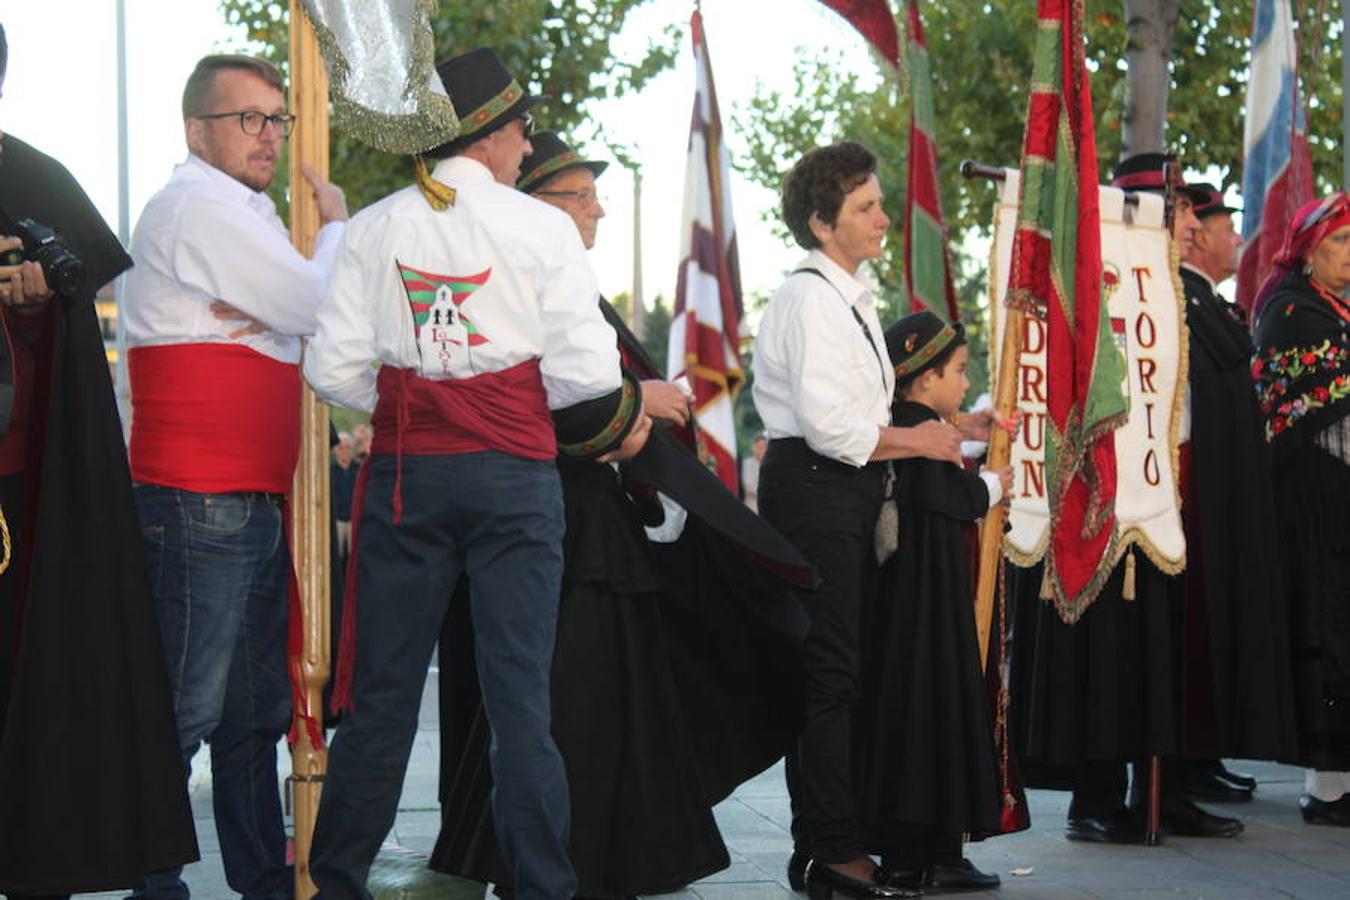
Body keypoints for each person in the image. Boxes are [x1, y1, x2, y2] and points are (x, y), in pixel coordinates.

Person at [303, 50, 652, 900]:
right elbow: (588, 380)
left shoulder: (376, 226)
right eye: (524, 131)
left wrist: (418, 396)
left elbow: (333, 370)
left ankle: (335, 884)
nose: (530, 149)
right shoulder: (541, 229)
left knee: (383, 700)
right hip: (513, 479)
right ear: (492, 134)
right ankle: (540, 888)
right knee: (520, 703)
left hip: (405, 478)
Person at [431, 129, 816, 898]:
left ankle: (591, 856)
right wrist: (644, 403)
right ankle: (568, 861)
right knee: (572, 713)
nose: (596, 210)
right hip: (564, 530)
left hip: (588, 524)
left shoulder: (556, 283)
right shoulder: (526, 281)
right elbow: (555, 407)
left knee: (588, 711)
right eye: (579, 196)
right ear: (533, 206)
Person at [122, 53, 348, 899]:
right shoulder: (197, 208)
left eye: (277, 119)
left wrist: (274, 318)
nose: (269, 136)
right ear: (197, 131)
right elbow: (314, 309)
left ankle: (260, 876)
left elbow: (294, 322)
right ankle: (154, 882)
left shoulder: (239, 215)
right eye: (247, 119)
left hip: (244, 496)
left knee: (253, 713)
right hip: (197, 496)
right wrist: (333, 233)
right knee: (183, 711)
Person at [1009, 153, 1276, 845]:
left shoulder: (1177, 294)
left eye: (1190, 211)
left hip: (1170, 497)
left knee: (1167, 653)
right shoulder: (1110, 287)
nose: (1189, 223)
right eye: (1180, 209)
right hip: (1110, 497)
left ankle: (1172, 787)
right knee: (1109, 656)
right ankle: (1096, 798)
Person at [752, 140, 996, 898]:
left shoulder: (847, 298)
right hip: (818, 488)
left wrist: (957, 426)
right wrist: (923, 437)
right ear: (823, 224)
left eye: (880, 203)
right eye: (865, 207)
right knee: (831, 674)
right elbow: (833, 427)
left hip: (843, 488)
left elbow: (865, 414)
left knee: (844, 672)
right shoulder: (808, 298)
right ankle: (833, 852)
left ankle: (834, 838)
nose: (884, 218)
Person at [0, 22, 199, 900]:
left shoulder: (29, 179)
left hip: (16, 493)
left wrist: (40, 295)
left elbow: (62, 328)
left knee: (28, 682)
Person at [853, 311, 1011, 893]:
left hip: (920, 606)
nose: (966, 383)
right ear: (924, 379)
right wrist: (998, 481)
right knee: (927, 717)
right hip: (924, 612)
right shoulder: (917, 433)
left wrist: (971, 435)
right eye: (960, 371)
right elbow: (956, 498)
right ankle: (919, 853)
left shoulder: (911, 423)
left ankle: (939, 848)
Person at [1177, 182, 1293, 805]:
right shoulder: (1178, 298)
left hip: (1223, 486)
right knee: (1197, 625)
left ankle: (1203, 758)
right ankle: (1187, 765)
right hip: (1196, 491)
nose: (1232, 238)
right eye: (1224, 226)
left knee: (1215, 622)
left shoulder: (1204, 300)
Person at [1252, 192, 1350, 826]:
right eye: (1340, 241)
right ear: (1309, 248)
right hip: (1315, 495)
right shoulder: (1290, 309)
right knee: (1329, 626)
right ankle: (1328, 784)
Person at [331, 431, 357, 568]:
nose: (345, 451)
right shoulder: (330, 471)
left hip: (354, 519)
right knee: (338, 556)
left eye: (348, 448)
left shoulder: (358, 469)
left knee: (354, 557)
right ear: (336, 451)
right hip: (338, 520)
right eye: (341, 448)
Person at [741, 432, 767, 511]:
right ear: (754, 448)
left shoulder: (770, 465)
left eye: (765, 447)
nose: (763, 450)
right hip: (753, 509)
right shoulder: (747, 463)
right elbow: (749, 486)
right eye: (760, 447)